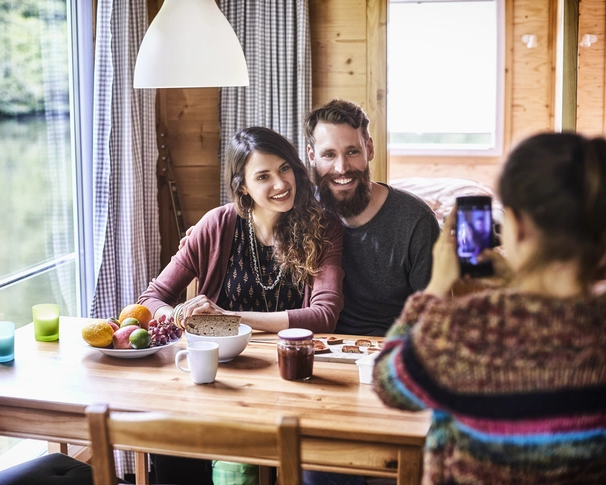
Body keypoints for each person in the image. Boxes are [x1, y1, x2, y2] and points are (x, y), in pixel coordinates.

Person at [373, 132, 606, 485]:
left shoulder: (467, 327)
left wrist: (434, 290)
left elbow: (389, 382)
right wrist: (516, 283)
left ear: (519, 225)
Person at [139, 126, 344, 485]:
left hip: (290, 375)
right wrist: (180, 316)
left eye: (284, 169)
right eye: (263, 176)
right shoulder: (217, 225)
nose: (281, 183)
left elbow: (323, 316)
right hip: (221, 375)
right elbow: (150, 299)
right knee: (168, 441)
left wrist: (228, 319)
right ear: (243, 186)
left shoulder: (322, 226)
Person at [303, 99, 440, 337]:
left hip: (390, 349)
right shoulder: (304, 212)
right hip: (318, 343)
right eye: (329, 155)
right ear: (312, 156)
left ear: (369, 148)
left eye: (352, 151)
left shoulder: (415, 220)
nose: (341, 167)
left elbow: (434, 318)